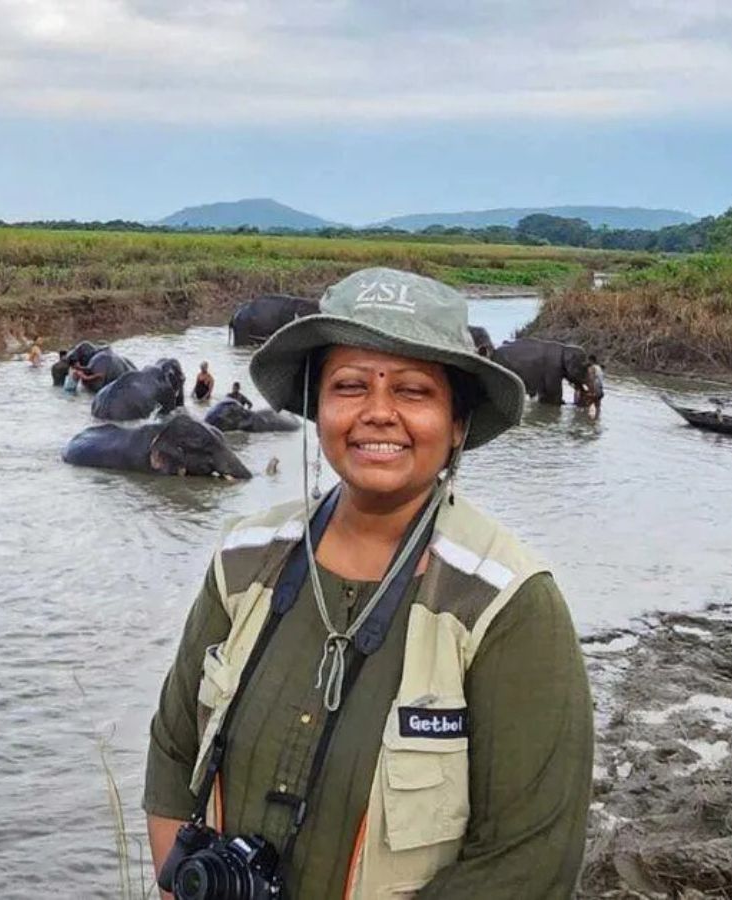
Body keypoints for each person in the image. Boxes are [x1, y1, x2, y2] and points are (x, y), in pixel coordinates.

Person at [144, 268, 592, 899]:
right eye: (350, 386)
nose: (378, 413)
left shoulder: (508, 605)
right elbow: (172, 752)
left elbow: (529, 861)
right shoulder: (245, 560)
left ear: (458, 423)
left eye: (413, 392)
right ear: (318, 407)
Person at [582, 354, 605, 420]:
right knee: (597, 409)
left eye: (588, 360)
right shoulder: (599, 368)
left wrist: (591, 392)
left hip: (595, 390)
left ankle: (589, 421)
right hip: (600, 391)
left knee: (588, 408)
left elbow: (591, 380)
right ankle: (596, 421)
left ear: (591, 360)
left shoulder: (591, 368)